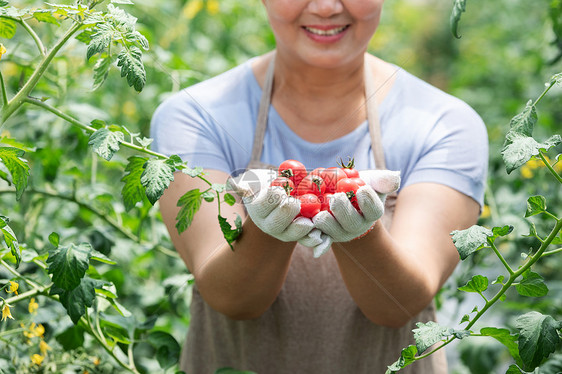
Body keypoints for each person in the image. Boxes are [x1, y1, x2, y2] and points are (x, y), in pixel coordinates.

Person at [150, 1, 488, 373]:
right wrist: (268, 229)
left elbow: (398, 305)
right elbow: (233, 299)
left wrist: (362, 234)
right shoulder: (195, 116)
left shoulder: (447, 125)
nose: (326, 7)